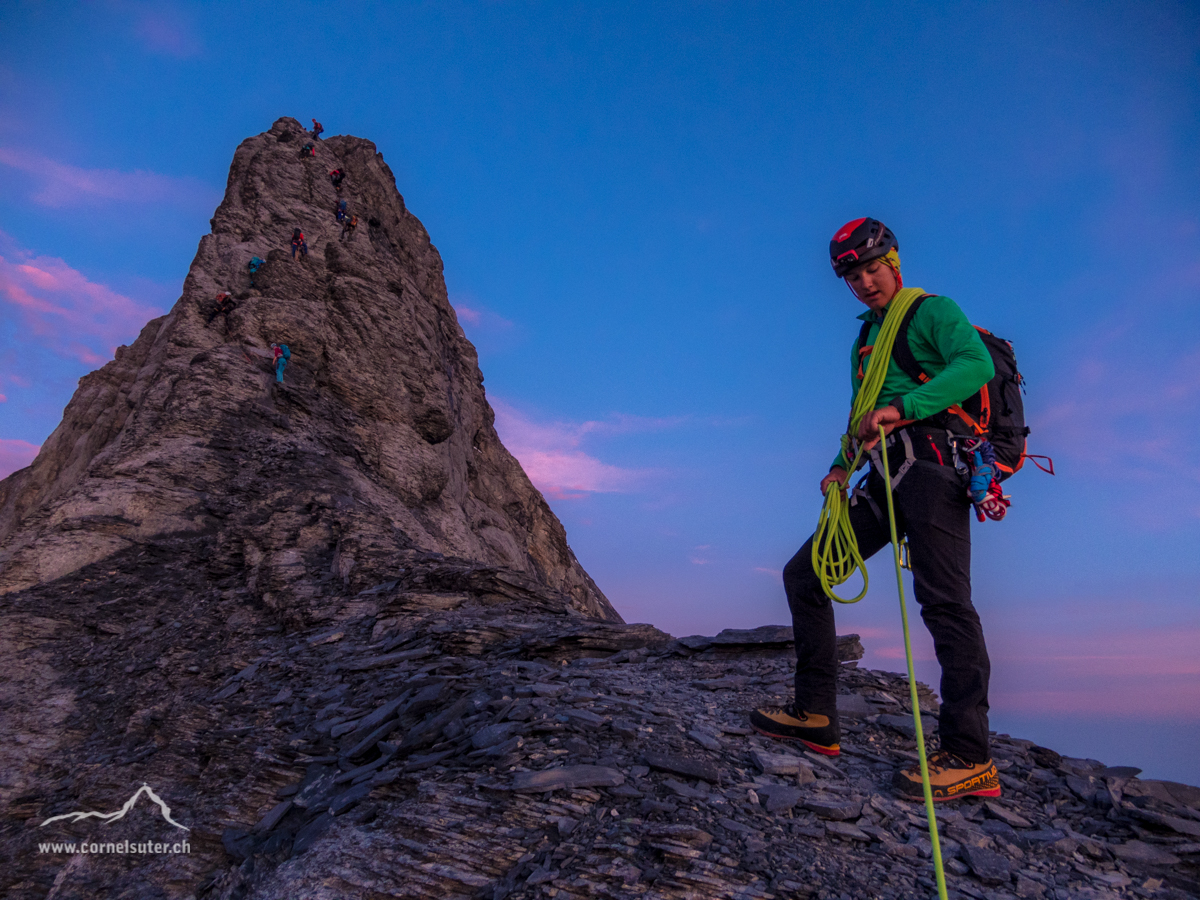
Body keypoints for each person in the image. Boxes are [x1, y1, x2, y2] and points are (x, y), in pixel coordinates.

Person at [750, 217, 1001, 802]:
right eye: (853, 275)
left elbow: (975, 366)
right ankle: (815, 715)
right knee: (806, 574)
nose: (864, 282)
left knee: (945, 603)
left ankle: (970, 756)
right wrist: (842, 463)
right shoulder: (866, 336)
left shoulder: (930, 311)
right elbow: (865, 404)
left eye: (872, 267)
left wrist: (907, 407)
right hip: (883, 469)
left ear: (894, 261)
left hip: (932, 468)